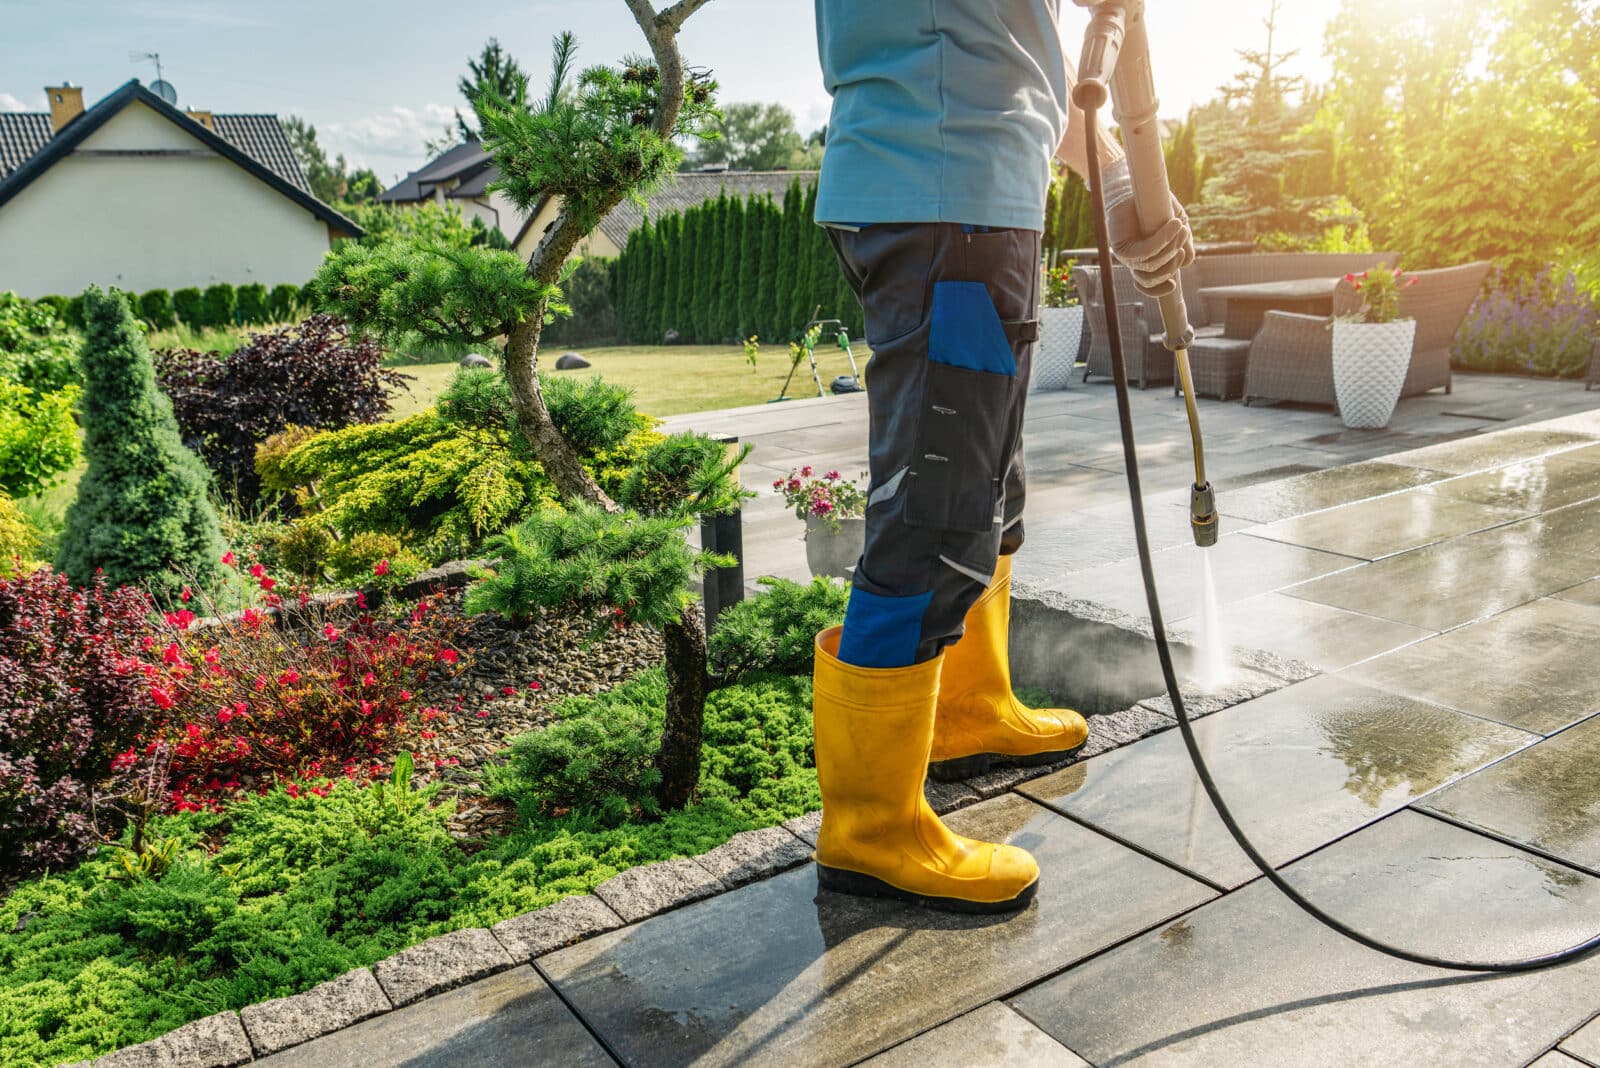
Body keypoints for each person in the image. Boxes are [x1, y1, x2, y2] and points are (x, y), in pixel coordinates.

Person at [809, 0, 1195, 913]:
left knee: (984, 486)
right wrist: (1142, 186)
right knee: (937, 513)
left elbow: (1019, 64)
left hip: (961, 192)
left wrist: (1123, 188)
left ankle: (968, 712)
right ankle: (870, 828)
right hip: (948, 198)